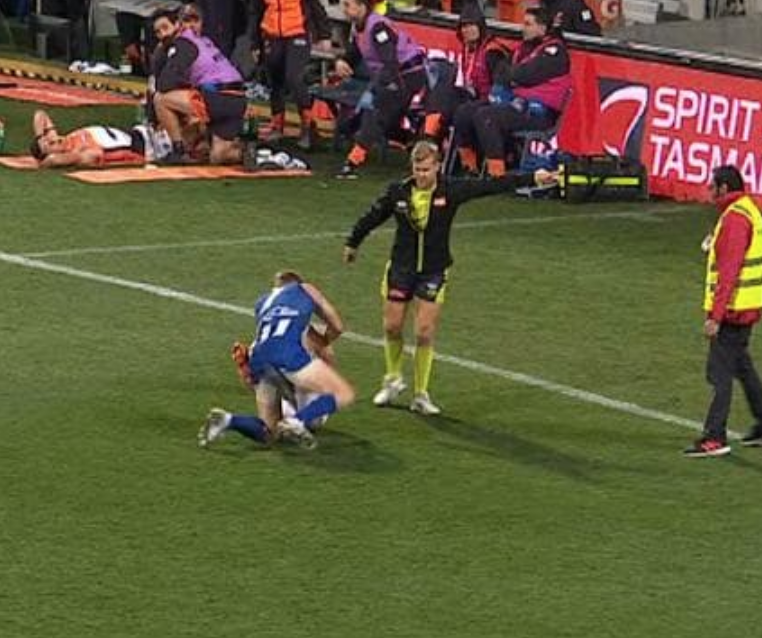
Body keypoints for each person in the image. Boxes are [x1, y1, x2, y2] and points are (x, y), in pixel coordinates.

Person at [342, 141, 559, 415]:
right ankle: (393, 379)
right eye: (417, 169)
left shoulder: (451, 190)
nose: (421, 175)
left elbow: (491, 184)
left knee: (423, 331)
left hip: (434, 269)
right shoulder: (398, 192)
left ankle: (421, 394)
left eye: (426, 169)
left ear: (438, 167)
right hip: (401, 268)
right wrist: (353, 243)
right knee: (392, 327)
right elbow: (372, 217)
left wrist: (532, 178)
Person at [684, 165, 762, 458]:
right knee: (741, 365)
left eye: (712, 186)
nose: (709, 190)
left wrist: (715, 316)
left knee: (719, 373)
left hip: (733, 310)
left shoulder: (735, 219)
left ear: (725, 188)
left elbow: (729, 271)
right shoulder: (744, 211)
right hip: (746, 306)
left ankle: (714, 437)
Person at [200, 270, 355, 448]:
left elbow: (251, 381)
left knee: (270, 433)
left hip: (259, 356)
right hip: (290, 357)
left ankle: (229, 420)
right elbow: (337, 327)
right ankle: (298, 421)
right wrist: (325, 341)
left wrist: (245, 368)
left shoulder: (262, 304)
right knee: (341, 394)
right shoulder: (304, 290)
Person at [455, 7, 572, 177]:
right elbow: (502, 71)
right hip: (515, 104)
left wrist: (513, 76)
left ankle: (497, 174)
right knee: (463, 113)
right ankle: (469, 167)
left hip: (538, 113)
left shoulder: (555, 52)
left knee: (486, 116)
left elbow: (524, 75)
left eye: (528, 24)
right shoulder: (524, 48)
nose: (523, 28)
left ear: (542, 27)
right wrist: (513, 76)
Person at [334, 0, 427, 179]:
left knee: (374, 111)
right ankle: (411, 144)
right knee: (383, 119)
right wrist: (342, 60)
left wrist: (379, 88)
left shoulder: (378, 28)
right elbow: (355, 51)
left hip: (407, 74)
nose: (344, 10)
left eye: (348, 4)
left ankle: (352, 162)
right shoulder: (359, 26)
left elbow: (390, 62)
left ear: (362, 6)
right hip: (392, 76)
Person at [152, 5, 247, 164]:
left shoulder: (183, 43)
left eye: (165, 28)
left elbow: (164, 84)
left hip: (217, 98)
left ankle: (178, 151)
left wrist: (160, 54)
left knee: (160, 99)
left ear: (177, 25)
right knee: (218, 156)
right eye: (158, 32)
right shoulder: (205, 41)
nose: (163, 34)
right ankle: (246, 151)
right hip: (237, 99)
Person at [248, 0, 333, 149]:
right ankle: (277, 126)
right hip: (271, 34)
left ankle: (308, 127)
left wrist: (324, 34)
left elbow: (316, 6)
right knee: (274, 80)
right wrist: (255, 43)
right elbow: (256, 12)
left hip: (297, 33)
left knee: (294, 78)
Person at [422, 1, 510, 142]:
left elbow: (501, 87)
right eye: (463, 26)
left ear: (480, 27)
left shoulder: (492, 52)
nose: (467, 30)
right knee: (443, 91)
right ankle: (428, 138)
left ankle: (433, 142)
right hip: (474, 95)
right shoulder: (467, 49)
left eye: (471, 25)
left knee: (459, 109)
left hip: (490, 101)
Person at [28, 109, 169, 168]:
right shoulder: (81, 154)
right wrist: (44, 162)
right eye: (51, 144)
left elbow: (40, 114)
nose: (55, 140)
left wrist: (41, 138)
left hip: (139, 131)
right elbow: (53, 160)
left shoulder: (66, 140)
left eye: (50, 138)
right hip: (148, 146)